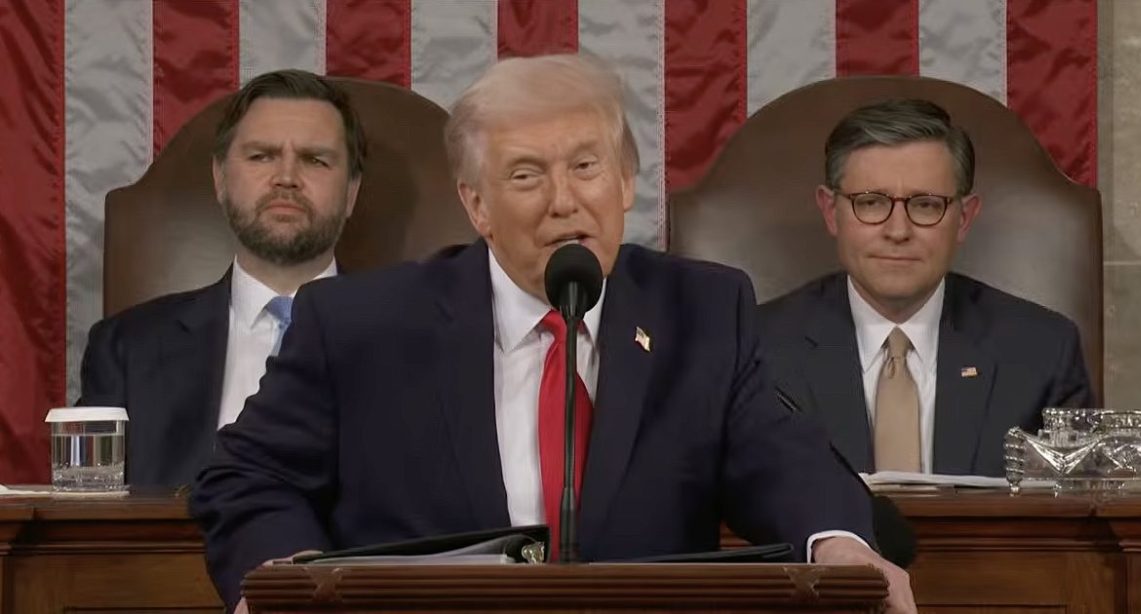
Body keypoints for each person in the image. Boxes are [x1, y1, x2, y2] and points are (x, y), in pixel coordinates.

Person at [190, 55, 916, 613]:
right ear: (477, 204)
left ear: (626, 182)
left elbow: (781, 459)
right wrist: (288, 580)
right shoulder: (362, 324)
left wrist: (839, 544)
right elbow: (248, 477)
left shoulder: (700, 312)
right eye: (526, 175)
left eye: (586, 167)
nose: (564, 201)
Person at [759, 98, 1093, 477]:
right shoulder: (756, 352)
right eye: (870, 203)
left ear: (964, 218)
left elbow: (1077, 505)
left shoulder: (1042, 351)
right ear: (830, 211)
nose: (898, 231)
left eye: (926, 205)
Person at [76, 69, 365, 488]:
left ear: (352, 191)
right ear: (220, 179)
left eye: (314, 159)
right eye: (261, 156)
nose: (286, 177)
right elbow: (86, 515)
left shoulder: (417, 342)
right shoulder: (126, 350)